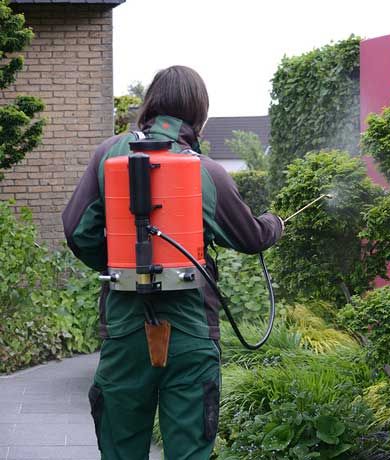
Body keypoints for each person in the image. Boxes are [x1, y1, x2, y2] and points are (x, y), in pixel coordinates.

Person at [62, 65, 284, 460]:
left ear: (151, 103)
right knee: (189, 450)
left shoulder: (107, 154)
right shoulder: (207, 172)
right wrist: (274, 223)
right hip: (190, 329)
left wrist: (121, 264)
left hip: (125, 327)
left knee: (120, 447)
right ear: (199, 115)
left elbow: (77, 230)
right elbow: (251, 238)